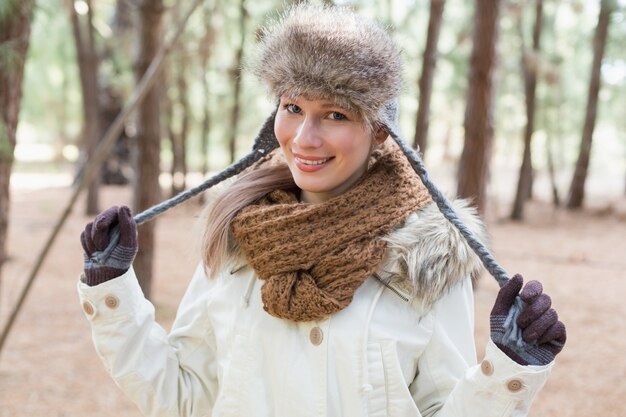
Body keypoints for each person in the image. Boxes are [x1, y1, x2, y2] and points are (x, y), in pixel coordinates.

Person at [78, 5, 566, 417]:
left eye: (335, 114)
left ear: (379, 131)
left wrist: (508, 370)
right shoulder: (239, 236)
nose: (305, 138)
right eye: (293, 108)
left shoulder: (424, 259)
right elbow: (183, 396)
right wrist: (111, 290)